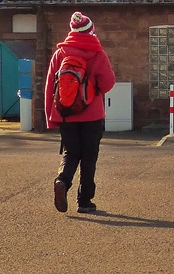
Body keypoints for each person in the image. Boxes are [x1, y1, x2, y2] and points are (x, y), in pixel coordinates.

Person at [45, 11, 116, 214]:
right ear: (91, 30)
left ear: (72, 30)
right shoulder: (98, 53)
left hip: (66, 114)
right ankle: (84, 201)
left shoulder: (60, 54)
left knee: (71, 153)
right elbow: (108, 83)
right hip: (92, 115)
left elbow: (50, 86)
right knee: (89, 157)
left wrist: (52, 117)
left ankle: (62, 181)